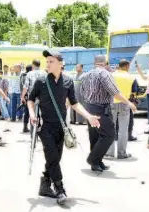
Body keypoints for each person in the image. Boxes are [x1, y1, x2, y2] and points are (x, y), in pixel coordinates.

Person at [28, 50, 100, 205]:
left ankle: (45, 184)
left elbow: (74, 103)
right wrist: (32, 114)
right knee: (53, 157)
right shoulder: (41, 81)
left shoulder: (68, 81)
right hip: (44, 126)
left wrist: (89, 116)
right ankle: (60, 189)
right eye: (47, 61)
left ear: (60, 64)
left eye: (51, 61)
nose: (48, 64)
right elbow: (30, 99)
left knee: (55, 158)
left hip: (61, 127)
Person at [80, 55, 137, 172]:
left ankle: (97, 162)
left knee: (95, 136)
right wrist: (129, 103)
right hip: (101, 109)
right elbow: (115, 92)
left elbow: (82, 92)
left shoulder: (86, 75)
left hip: (89, 107)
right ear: (105, 62)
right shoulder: (104, 74)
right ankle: (93, 159)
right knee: (109, 135)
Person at [107, 59, 139, 159]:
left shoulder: (111, 75)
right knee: (123, 130)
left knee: (110, 129)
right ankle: (121, 153)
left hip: (111, 103)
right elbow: (135, 92)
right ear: (126, 66)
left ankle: (110, 153)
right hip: (125, 104)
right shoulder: (131, 77)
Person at [21, 59, 46, 136]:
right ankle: (42, 132)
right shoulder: (45, 73)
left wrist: (22, 96)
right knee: (43, 116)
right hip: (43, 97)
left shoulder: (29, 74)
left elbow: (26, 86)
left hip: (32, 97)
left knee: (32, 115)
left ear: (33, 65)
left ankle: (33, 135)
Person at [20, 64, 32, 132]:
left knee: (26, 112)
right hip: (29, 95)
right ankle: (29, 127)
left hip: (24, 95)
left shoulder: (22, 76)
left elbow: (21, 86)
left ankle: (25, 127)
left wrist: (22, 96)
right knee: (30, 111)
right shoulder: (29, 76)